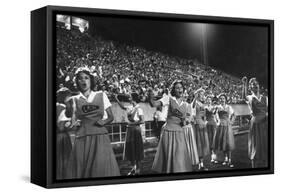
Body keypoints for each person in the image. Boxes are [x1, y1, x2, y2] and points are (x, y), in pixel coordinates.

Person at [66, 68, 120, 178]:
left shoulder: (101, 95)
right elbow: (74, 121)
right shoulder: (74, 99)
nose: (83, 81)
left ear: (91, 80)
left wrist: (103, 122)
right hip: (83, 137)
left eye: (86, 78)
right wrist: (72, 124)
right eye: (80, 79)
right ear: (77, 82)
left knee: (100, 169)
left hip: (100, 136)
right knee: (82, 170)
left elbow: (111, 117)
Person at [148, 80, 193, 173]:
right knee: (168, 155)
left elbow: (186, 121)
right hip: (168, 131)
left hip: (180, 132)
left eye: (181, 87)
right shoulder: (168, 98)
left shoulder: (186, 105)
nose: (179, 89)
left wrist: (186, 121)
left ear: (183, 89)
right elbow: (154, 104)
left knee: (179, 156)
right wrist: (150, 95)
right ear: (173, 90)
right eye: (177, 88)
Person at [115, 93, 145, 175]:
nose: (129, 98)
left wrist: (132, 124)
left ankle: (138, 168)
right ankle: (134, 167)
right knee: (130, 149)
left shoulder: (139, 109)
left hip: (136, 130)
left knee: (137, 148)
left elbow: (142, 120)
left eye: (130, 97)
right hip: (130, 130)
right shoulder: (129, 107)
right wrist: (117, 99)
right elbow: (122, 106)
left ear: (134, 98)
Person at [242, 77, 268, 168]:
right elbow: (243, 96)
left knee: (266, 144)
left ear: (259, 86)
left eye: (256, 84)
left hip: (265, 123)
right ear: (250, 87)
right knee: (255, 145)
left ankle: (267, 168)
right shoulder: (250, 97)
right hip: (255, 123)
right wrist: (244, 84)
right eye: (253, 84)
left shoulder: (266, 98)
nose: (255, 85)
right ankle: (254, 168)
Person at [212, 93, 236, 167]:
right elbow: (213, 114)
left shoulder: (229, 107)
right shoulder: (218, 107)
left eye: (223, 98)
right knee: (223, 143)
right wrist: (216, 121)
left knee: (228, 143)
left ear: (225, 99)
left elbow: (234, 114)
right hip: (220, 126)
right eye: (221, 99)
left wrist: (231, 122)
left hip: (227, 126)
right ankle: (225, 159)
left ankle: (229, 160)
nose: (222, 100)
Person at [56, 88, 73, 179]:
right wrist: (70, 125)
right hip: (62, 137)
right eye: (69, 96)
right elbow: (61, 127)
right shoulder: (63, 108)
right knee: (64, 159)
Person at [193, 88, 210, 170]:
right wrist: (195, 97)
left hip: (202, 125)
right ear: (198, 95)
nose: (203, 96)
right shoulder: (195, 102)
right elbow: (192, 108)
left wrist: (205, 121)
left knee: (202, 144)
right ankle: (200, 164)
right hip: (197, 125)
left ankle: (201, 164)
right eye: (201, 94)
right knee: (198, 144)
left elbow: (204, 115)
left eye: (203, 94)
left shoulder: (203, 104)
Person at [205, 95, 219, 163]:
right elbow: (204, 116)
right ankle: (212, 157)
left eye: (210, 100)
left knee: (214, 139)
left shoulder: (214, 107)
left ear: (211, 101)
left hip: (213, 123)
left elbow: (215, 115)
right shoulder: (205, 107)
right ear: (206, 101)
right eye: (207, 100)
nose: (209, 101)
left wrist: (218, 121)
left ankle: (214, 155)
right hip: (208, 124)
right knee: (210, 140)